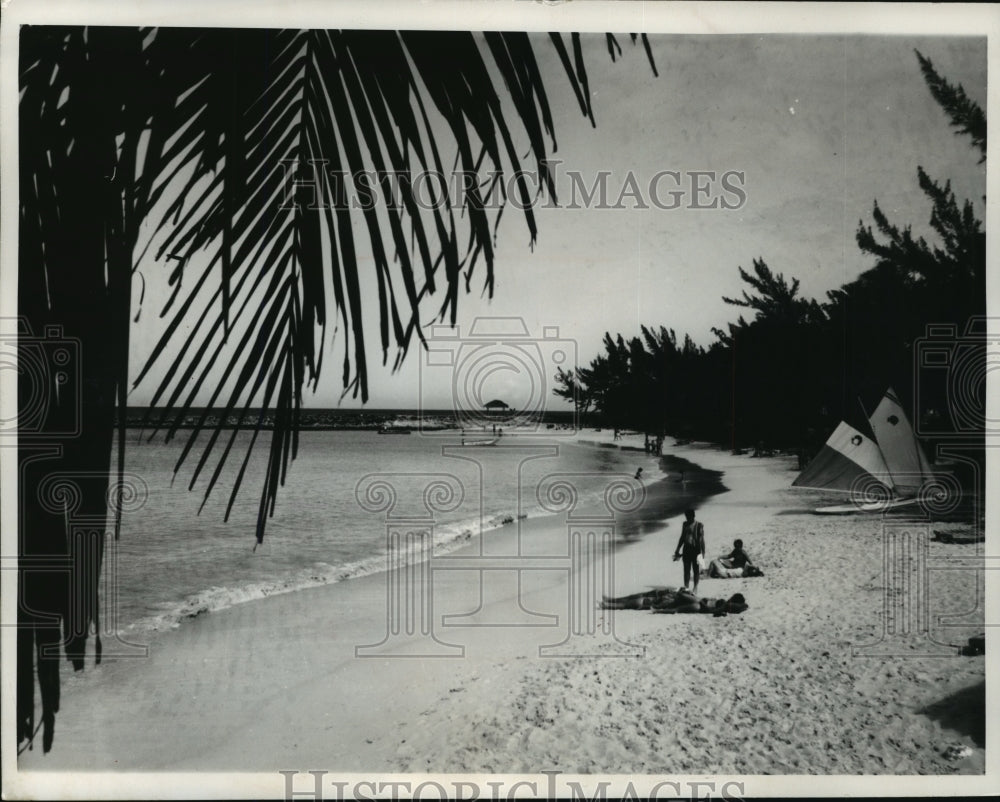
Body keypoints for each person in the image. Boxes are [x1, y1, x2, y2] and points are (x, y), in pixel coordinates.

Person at [672, 508, 705, 593]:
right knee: (686, 570)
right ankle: (686, 587)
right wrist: (677, 549)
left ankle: (695, 587)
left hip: (696, 549)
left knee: (695, 569)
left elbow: (701, 540)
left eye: (689, 517)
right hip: (686, 548)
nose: (687, 518)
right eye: (686, 517)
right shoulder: (685, 524)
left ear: (693, 516)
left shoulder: (699, 525)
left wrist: (703, 552)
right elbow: (682, 537)